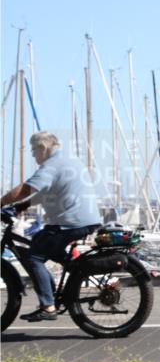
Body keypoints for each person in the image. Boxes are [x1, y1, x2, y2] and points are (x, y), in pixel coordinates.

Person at [0, 131, 102, 321]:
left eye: (33, 150)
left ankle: (48, 306)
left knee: (33, 257)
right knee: (40, 243)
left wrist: (2, 203)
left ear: (43, 147)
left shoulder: (51, 165)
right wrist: (22, 206)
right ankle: (65, 283)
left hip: (70, 222)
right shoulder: (67, 159)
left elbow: (25, 189)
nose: (32, 155)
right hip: (81, 220)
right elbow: (47, 191)